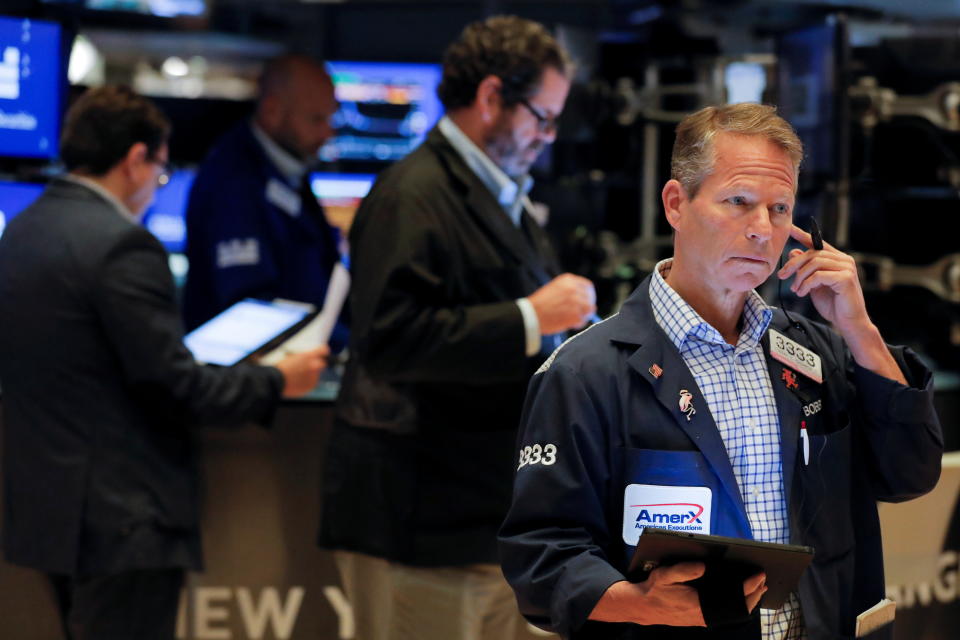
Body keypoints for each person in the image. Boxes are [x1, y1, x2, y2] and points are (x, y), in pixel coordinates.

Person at [498, 103, 943, 640]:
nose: (762, 230)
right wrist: (640, 603)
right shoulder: (585, 373)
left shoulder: (817, 351)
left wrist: (860, 328)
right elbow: (540, 557)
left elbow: (909, 474)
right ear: (675, 204)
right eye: (738, 202)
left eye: (780, 209)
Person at [0, 86, 328, 640]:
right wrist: (278, 380)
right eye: (161, 168)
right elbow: (179, 387)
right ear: (135, 160)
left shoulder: (22, 233)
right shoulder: (122, 246)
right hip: (123, 519)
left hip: (45, 512)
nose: (158, 184)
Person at [318, 15, 598, 640]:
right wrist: (532, 317)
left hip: (485, 513)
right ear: (492, 96)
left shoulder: (501, 192)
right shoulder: (410, 193)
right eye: (541, 118)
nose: (548, 137)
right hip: (415, 519)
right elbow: (390, 341)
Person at [182, 53, 345, 346]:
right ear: (272, 111)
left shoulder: (287, 166)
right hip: (247, 378)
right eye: (316, 119)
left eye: (331, 118)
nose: (327, 133)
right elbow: (246, 308)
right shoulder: (233, 182)